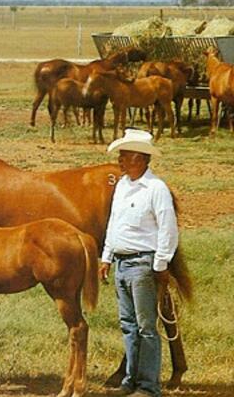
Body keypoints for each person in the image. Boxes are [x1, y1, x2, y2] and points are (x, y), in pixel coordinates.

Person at [99, 129, 179, 397]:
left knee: (146, 328)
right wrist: (107, 257)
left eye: (125, 155)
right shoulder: (123, 186)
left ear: (141, 158)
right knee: (128, 325)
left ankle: (148, 386)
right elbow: (114, 223)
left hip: (143, 264)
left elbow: (168, 228)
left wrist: (161, 264)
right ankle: (130, 381)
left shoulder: (156, 189)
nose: (120, 160)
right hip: (122, 264)